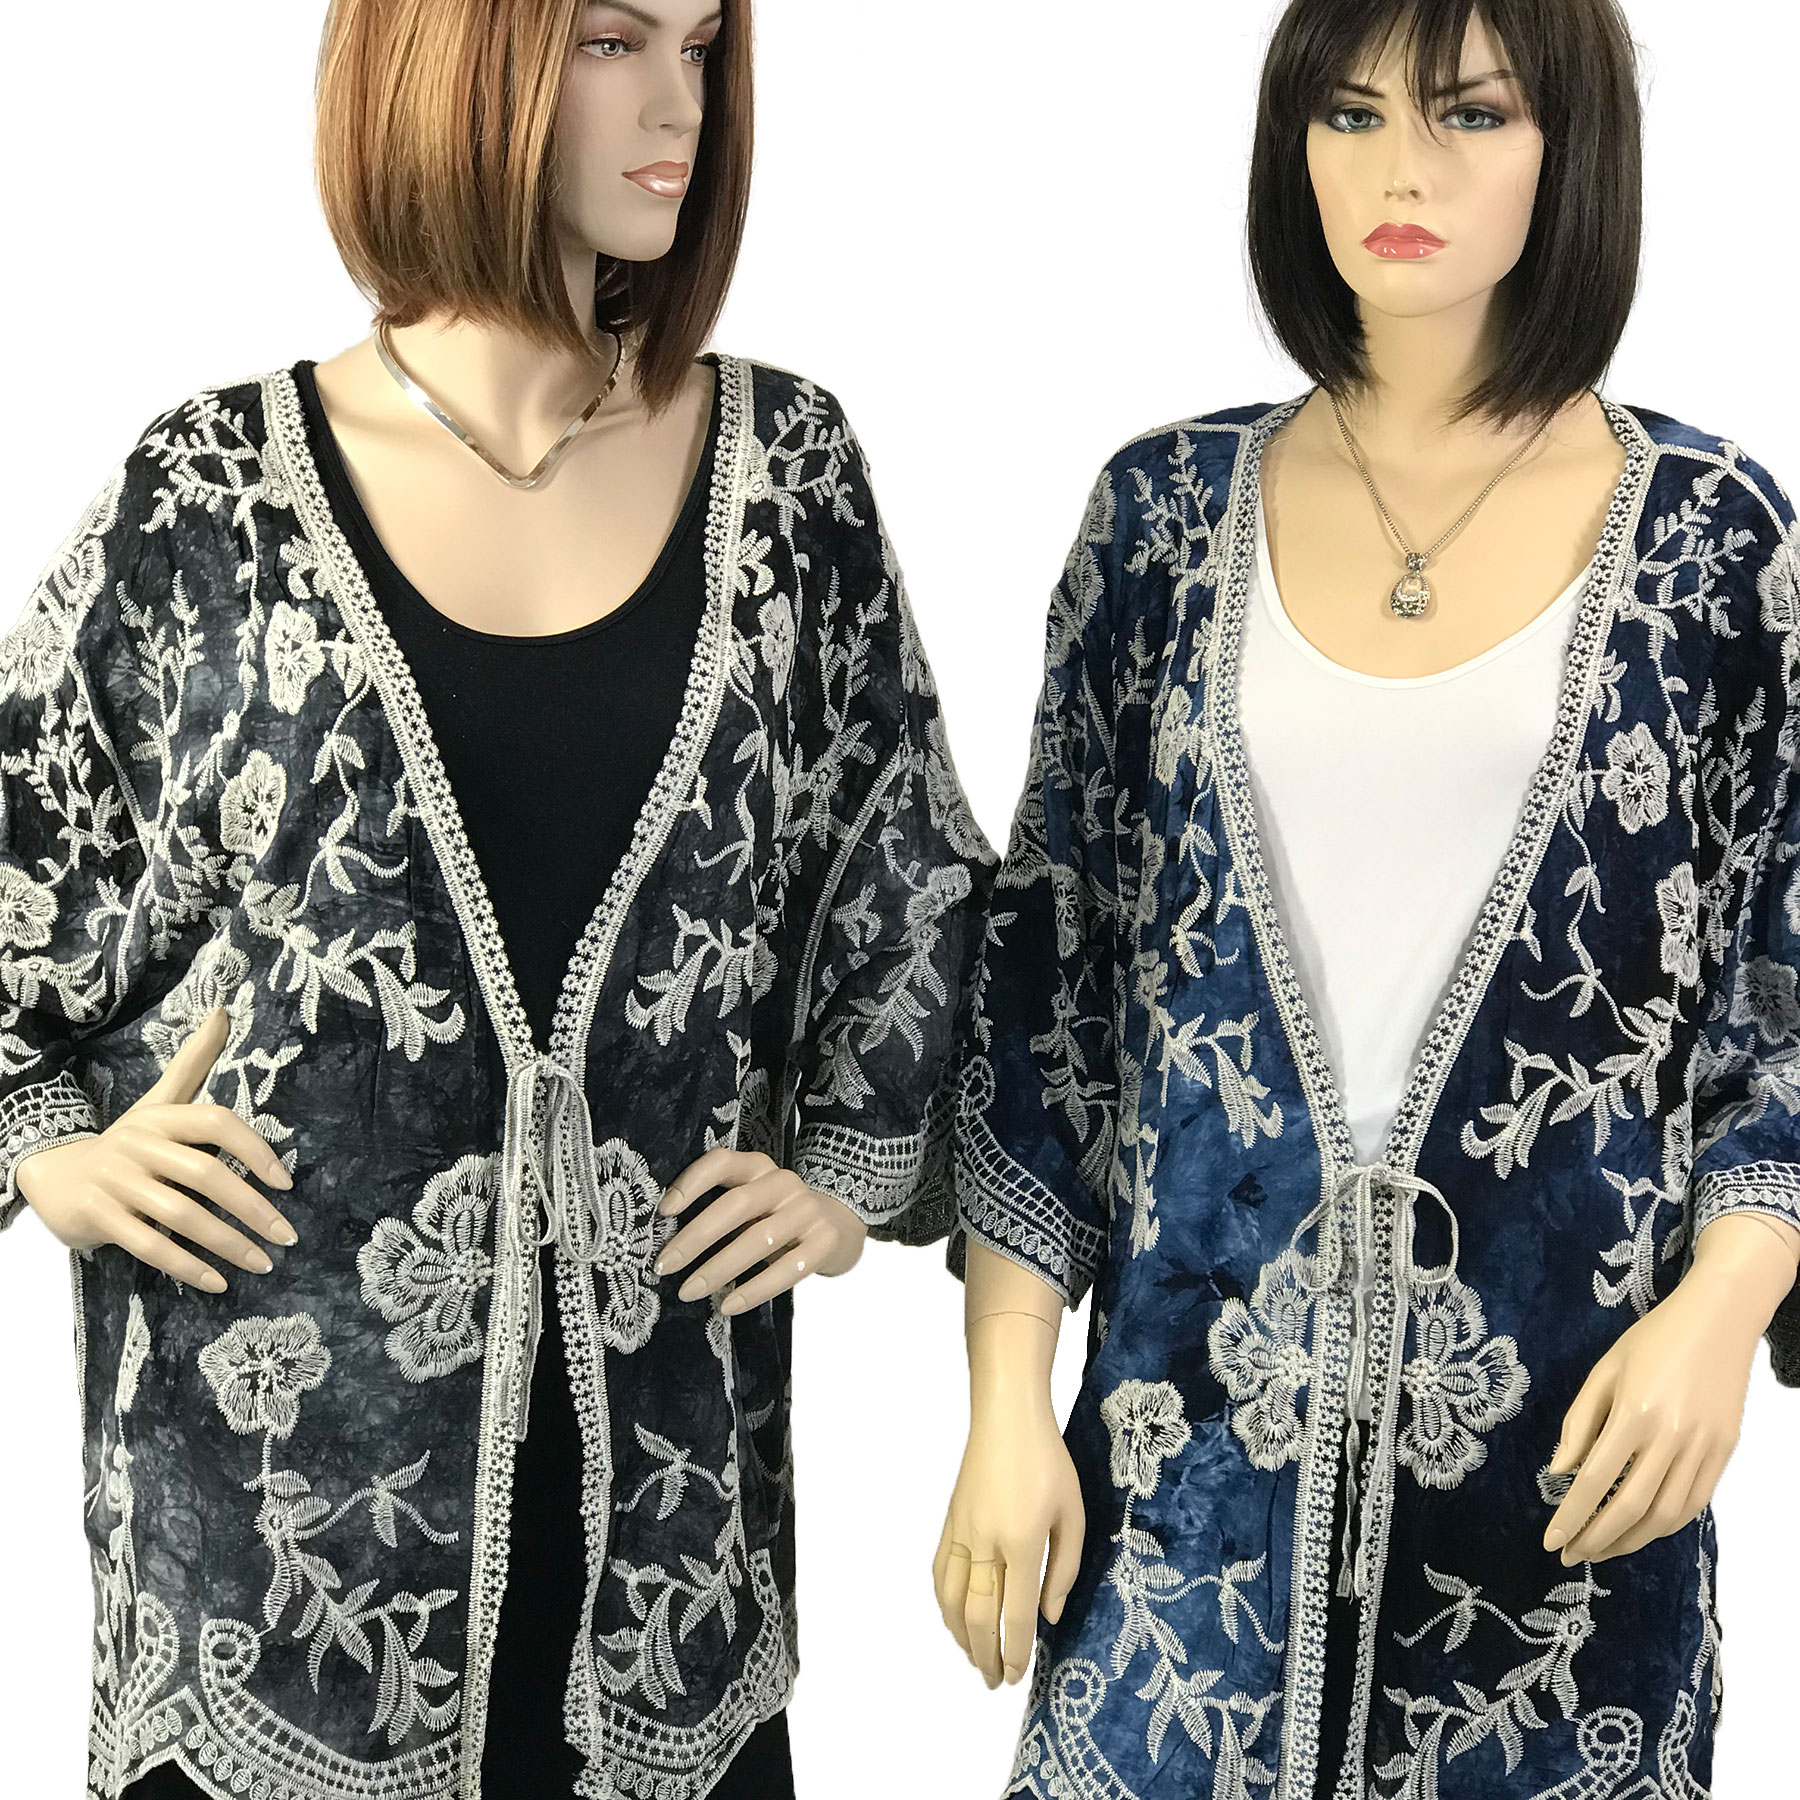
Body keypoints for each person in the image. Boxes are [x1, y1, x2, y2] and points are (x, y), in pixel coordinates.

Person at [0, 3, 992, 1797]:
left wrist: (844, 1187)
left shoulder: (787, 482)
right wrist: (52, 1152)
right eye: (613, 41)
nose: (679, 106)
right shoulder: (212, 500)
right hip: (275, 1583)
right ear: (457, 56)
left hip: (666, 1572)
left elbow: (911, 891)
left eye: (703, 45)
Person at [936, 1, 1800, 1795]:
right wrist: (1003, 1404)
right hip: (1179, 1509)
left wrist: (1726, 1304)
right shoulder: (1165, 516)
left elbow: (1779, 990)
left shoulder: (1717, 541)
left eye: (1469, 114)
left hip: (1562, 1515)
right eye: (1350, 114)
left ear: (1569, 147)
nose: (1402, 167)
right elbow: (1054, 984)